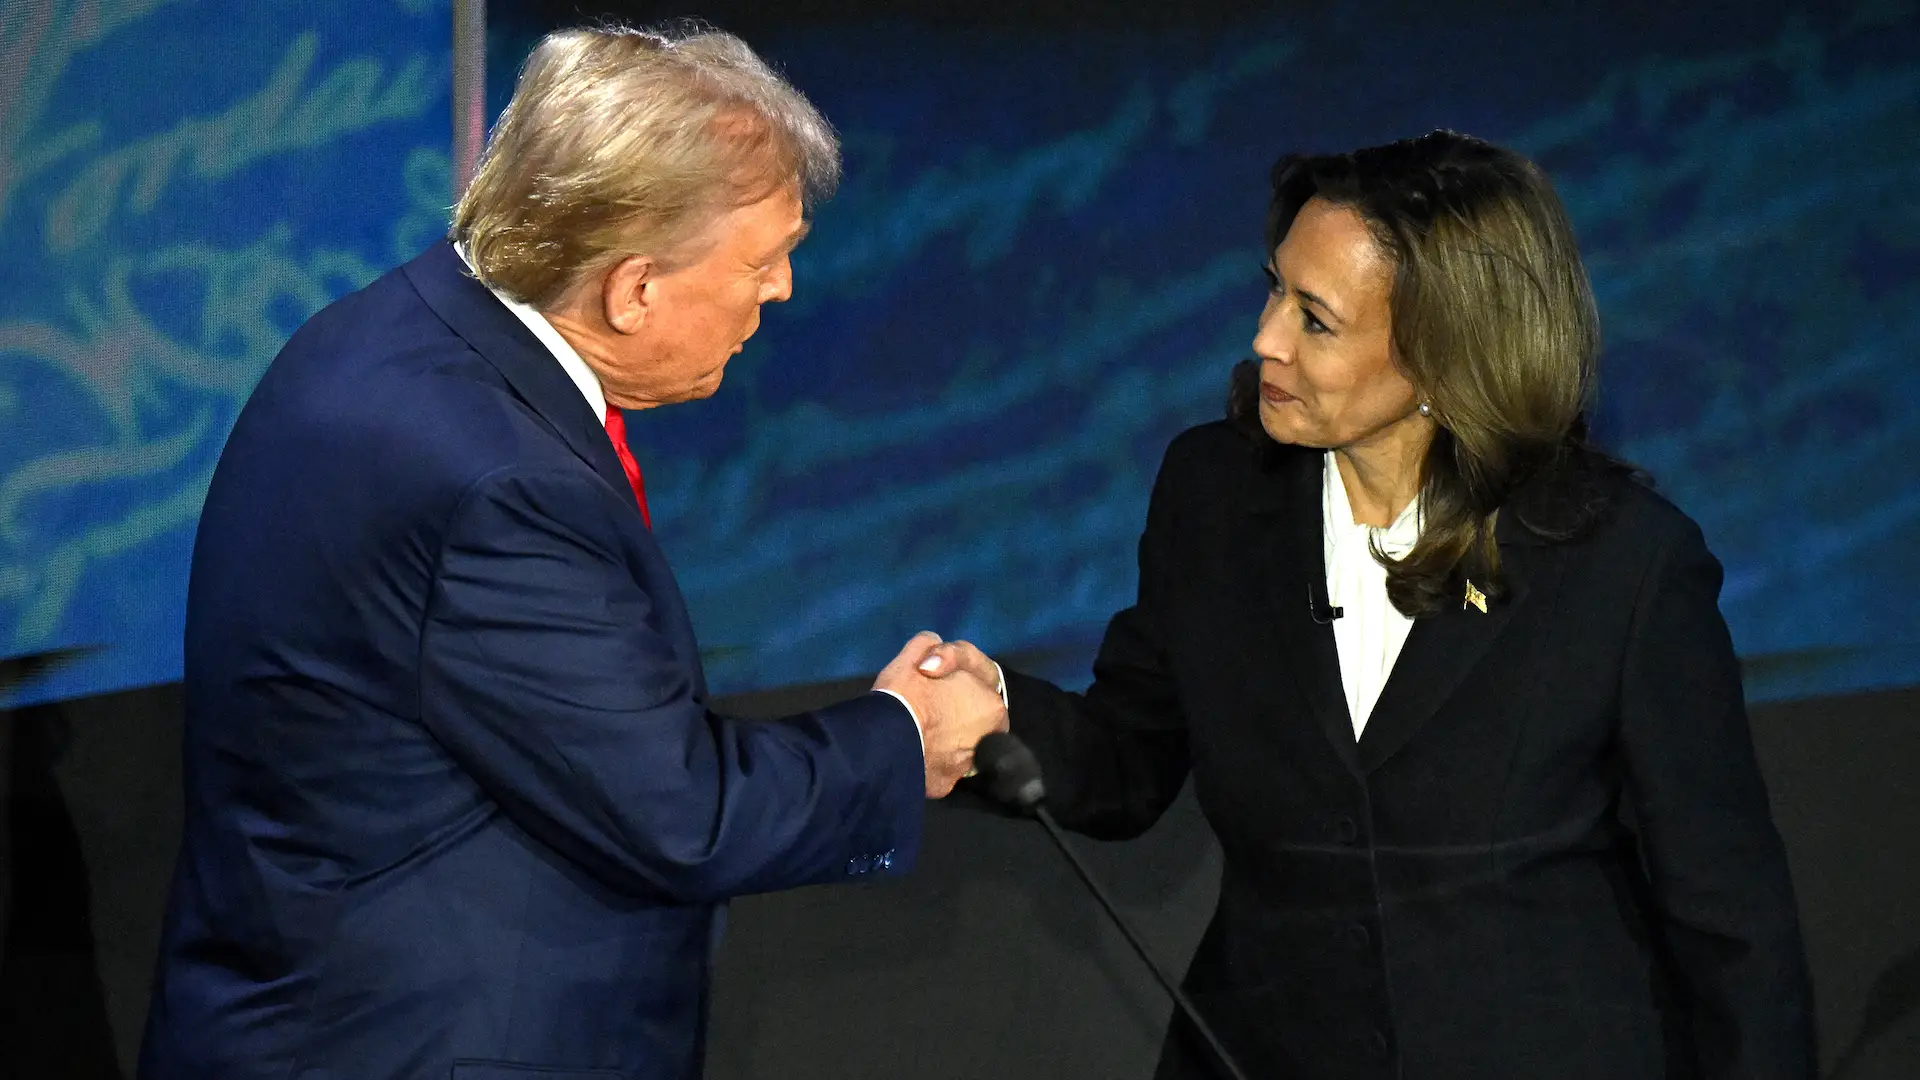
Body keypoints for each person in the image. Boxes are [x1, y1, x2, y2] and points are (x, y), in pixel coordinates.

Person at [138, 25, 1005, 1080]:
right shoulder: (500, 482)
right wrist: (904, 734)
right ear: (632, 288)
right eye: (764, 262)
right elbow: (683, 813)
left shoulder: (393, 332)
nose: (779, 292)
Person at [920, 130, 1813, 1078]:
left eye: (1316, 318)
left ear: (1441, 353)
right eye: (1274, 288)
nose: (1265, 337)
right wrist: (999, 719)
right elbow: (1130, 758)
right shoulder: (1215, 496)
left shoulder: (1623, 564)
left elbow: (1730, 921)